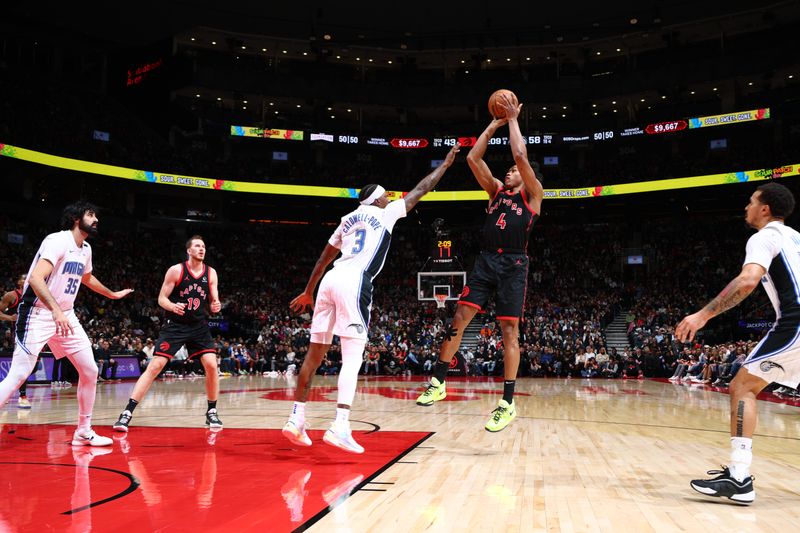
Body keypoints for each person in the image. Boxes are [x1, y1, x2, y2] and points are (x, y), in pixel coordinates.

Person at [282, 144, 460, 453]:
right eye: (386, 194)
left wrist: (308, 291)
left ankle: (296, 419)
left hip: (329, 282)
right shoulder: (386, 211)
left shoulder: (347, 218)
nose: (391, 196)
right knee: (352, 357)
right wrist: (445, 166)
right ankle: (340, 425)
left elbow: (323, 260)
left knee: (313, 356)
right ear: (376, 198)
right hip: (354, 282)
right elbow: (421, 188)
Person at [415, 94, 544, 432]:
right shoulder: (496, 192)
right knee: (459, 315)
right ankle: (439, 381)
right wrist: (495, 122)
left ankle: (507, 402)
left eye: (515, 171)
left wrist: (513, 118)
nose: (510, 170)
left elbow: (519, 154)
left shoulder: (533, 195)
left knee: (509, 331)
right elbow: (473, 157)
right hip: (487, 262)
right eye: (510, 170)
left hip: (514, 265)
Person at [676, 182, 797, 504]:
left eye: (751, 202)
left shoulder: (765, 237)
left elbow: (747, 281)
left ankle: (740, 476)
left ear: (765, 208)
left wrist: (702, 316)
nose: (746, 207)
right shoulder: (797, 239)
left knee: (743, 387)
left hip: (796, 322)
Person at [0, 201, 133, 446]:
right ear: (75, 218)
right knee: (19, 373)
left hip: (66, 314)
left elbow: (87, 278)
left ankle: (83, 431)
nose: (96, 220)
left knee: (90, 370)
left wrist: (111, 294)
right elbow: (36, 279)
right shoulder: (57, 241)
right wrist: (55, 310)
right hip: (38, 313)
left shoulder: (86, 249)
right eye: (91, 215)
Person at [112, 235, 222, 432]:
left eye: (203, 246)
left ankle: (211, 412)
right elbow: (162, 298)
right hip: (175, 325)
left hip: (198, 325)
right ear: (189, 250)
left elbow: (214, 302)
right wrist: (172, 306)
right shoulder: (176, 270)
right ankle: (127, 412)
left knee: (212, 366)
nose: (201, 249)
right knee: (155, 366)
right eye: (197, 246)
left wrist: (216, 305)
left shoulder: (211, 273)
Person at [1, 275, 32, 408]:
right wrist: (10, 317)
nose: (27, 280)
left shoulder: (36, 294)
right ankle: (23, 396)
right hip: (18, 334)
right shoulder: (11, 295)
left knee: (33, 366)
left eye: (28, 278)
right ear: (19, 282)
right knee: (23, 365)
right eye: (24, 279)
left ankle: (6, 390)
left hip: (34, 333)